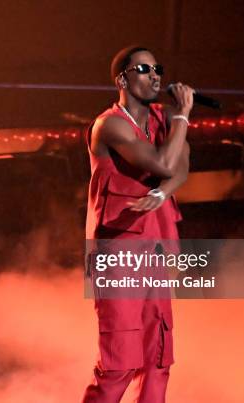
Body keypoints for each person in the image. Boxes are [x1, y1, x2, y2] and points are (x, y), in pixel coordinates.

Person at [83, 46, 193, 402]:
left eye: (157, 68)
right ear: (122, 79)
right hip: (121, 251)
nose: (155, 75)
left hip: (157, 244)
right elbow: (163, 163)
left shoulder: (163, 118)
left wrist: (162, 195)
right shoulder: (111, 124)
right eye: (144, 69)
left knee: (158, 358)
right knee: (119, 363)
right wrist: (183, 117)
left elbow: (181, 166)